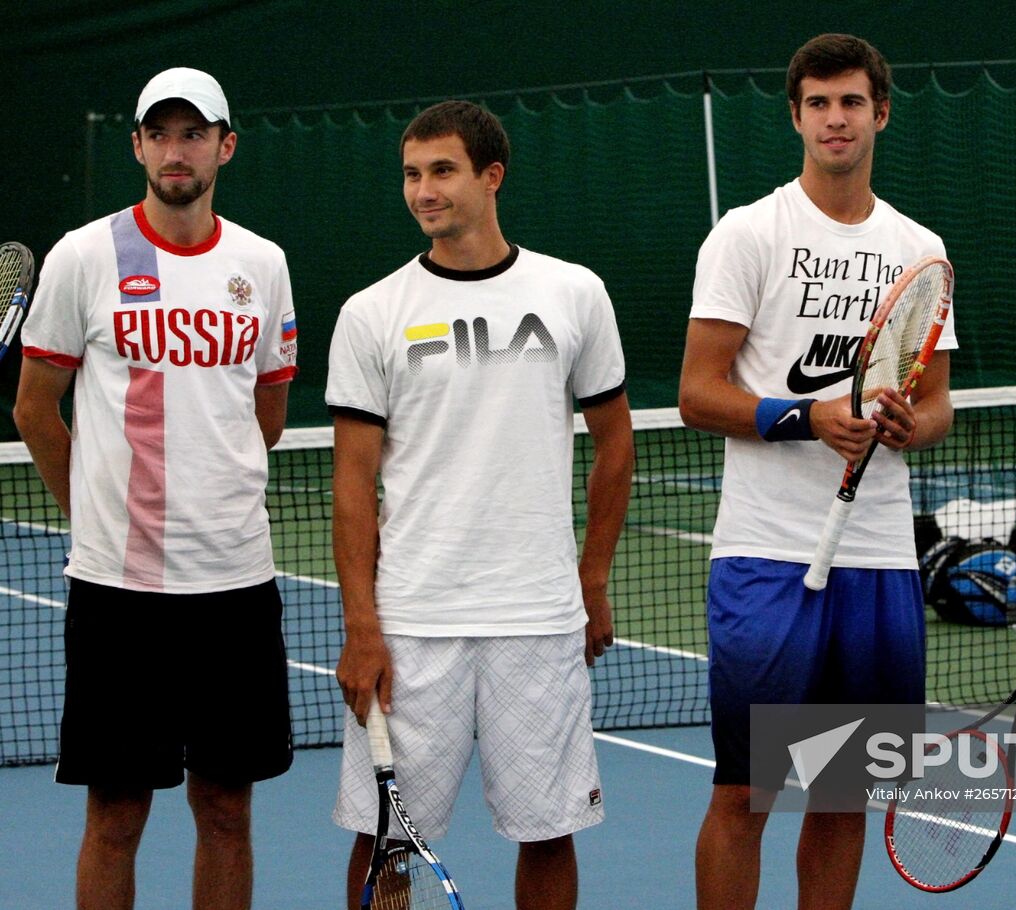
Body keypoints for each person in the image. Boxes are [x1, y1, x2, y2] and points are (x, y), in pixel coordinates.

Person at [327, 100, 633, 910]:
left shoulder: (574, 292)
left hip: (537, 617)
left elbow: (616, 441)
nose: (424, 190)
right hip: (413, 620)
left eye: (442, 171)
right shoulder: (372, 313)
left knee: (549, 831)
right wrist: (362, 627)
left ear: (491, 176)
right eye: (412, 173)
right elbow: (353, 483)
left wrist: (591, 579)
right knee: (385, 838)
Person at [679, 34, 956, 910]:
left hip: (877, 556)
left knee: (844, 794)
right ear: (797, 115)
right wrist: (804, 418)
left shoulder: (919, 246)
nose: (835, 119)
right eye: (818, 103)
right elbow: (696, 392)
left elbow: (940, 405)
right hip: (766, 557)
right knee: (746, 793)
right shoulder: (748, 234)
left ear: (880, 111)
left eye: (851, 102)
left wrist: (912, 427)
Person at [12, 67, 297, 910]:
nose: (178, 151)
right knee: (116, 814)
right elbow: (35, 409)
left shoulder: (263, 264)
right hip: (118, 593)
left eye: (195, 133)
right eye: (161, 134)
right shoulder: (83, 254)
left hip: (235, 587)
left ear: (226, 145)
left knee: (226, 809)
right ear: (137, 145)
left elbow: (267, 413)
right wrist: (93, 516)